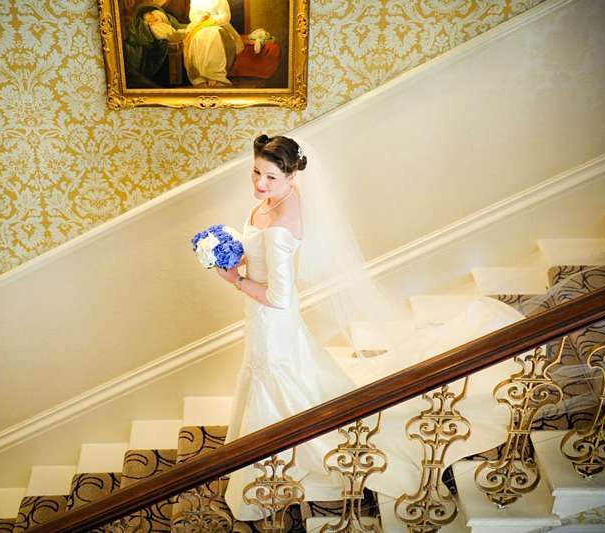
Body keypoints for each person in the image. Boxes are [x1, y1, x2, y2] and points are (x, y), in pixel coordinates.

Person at [212, 134, 531, 521]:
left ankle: (276, 459)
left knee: (275, 372)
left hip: (271, 316)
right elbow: (258, 249)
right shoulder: (276, 201)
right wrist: (231, 251)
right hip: (262, 313)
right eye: (256, 173)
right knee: (282, 371)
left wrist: (233, 279)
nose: (260, 185)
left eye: (271, 177)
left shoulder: (281, 226)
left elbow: (279, 296)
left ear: (292, 175)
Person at [184, 0, 244, 87]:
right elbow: (192, 16)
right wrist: (201, 18)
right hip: (200, 26)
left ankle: (215, 75)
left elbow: (225, 16)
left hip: (218, 25)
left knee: (213, 34)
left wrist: (212, 19)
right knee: (199, 37)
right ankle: (201, 77)